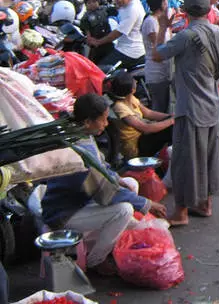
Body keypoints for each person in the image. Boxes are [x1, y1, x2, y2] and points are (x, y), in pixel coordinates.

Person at [41, 93, 166, 275]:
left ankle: (113, 240)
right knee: (125, 210)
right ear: (87, 122)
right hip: (64, 214)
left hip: (80, 199)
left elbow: (103, 167)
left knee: (129, 184)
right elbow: (107, 191)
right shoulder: (81, 151)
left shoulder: (81, 134)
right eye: (104, 120)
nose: (106, 124)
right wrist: (147, 204)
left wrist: (119, 179)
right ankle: (96, 261)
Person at [153, 0, 219, 226]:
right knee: (207, 156)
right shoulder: (218, 32)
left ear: (184, 11)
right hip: (212, 104)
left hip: (191, 107)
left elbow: (157, 55)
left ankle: (181, 212)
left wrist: (163, 26)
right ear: (207, 10)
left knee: (186, 160)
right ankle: (205, 204)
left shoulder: (184, 36)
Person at [111, 72, 174, 160]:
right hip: (136, 145)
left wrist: (170, 116)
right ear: (132, 90)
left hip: (144, 138)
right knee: (171, 128)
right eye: (134, 82)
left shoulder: (131, 98)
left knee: (173, 124)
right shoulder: (119, 108)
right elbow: (145, 128)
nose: (136, 82)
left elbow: (148, 113)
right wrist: (171, 121)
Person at [88, 0, 146, 70]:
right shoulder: (132, 0)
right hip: (123, 46)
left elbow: (117, 33)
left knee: (100, 71)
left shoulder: (132, 10)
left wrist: (98, 42)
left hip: (129, 51)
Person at [141, 0, 173, 113]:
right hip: (156, 71)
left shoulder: (162, 20)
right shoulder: (150, 22)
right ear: (161, 4)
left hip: (165, 69)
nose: (167, 3)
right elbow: (158, 48)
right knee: (159, 108)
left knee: (165, 107)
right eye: (165, 1)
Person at [80, 0, 113, 64]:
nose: (92, 4)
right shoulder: (86, 17)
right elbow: (87, 31)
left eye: (94, 2)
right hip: (96, 42)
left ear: (98, 2)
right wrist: (90, 40)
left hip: (108, 39)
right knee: (96, 61)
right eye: (89, 3)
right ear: (86, 5)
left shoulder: (104, 10)